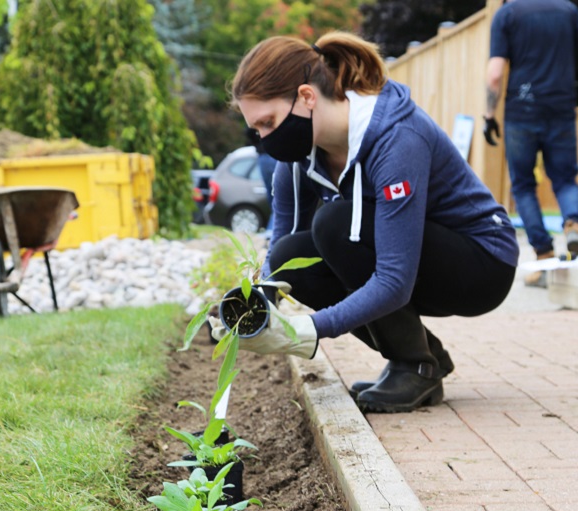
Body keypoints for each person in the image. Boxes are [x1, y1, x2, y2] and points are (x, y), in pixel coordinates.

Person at [213, 31, 519, 414]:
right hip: (418, 259)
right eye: (256, 129)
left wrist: (306, 330)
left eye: (268, 122)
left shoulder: (396, 138)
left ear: (307, 97)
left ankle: (413, 364)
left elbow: (394, 279)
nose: (263, 139)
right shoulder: (297, 157)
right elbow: (281, 253)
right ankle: (425, 359)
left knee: (335, 226)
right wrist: (251, 307)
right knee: (296, 256)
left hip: (483, 261)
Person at [484, 0, 578, 287]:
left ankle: (543, 258)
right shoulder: (566, 10)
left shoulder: (507, 14)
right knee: (565, 179)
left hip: (521, 112)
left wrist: (489, 116)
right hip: (561, 111)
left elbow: (495, 74)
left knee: (524, 185)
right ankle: (574, 226)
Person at [246, 126, 278, 236]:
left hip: (263, 156)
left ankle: (272, 232)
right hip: (272, 153)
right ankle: (273, 232)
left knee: (274, 198)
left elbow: (249, 132)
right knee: (279, 198)